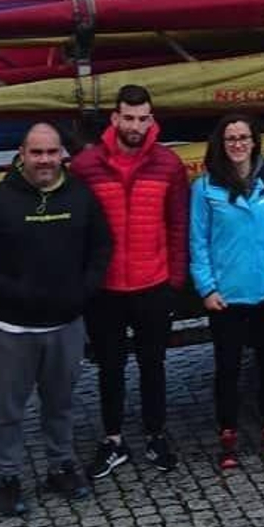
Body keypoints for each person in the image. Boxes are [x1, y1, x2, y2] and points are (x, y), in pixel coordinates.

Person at [0, 121, 114, 518]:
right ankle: (9, 478)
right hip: (12, 328)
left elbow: (102, 246)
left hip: (65, 323)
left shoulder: (81, 197)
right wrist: (7, 289)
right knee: (8, 409)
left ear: (62, 154)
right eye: (36, 153)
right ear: (22, 155)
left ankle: (60, 465)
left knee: (60, 404)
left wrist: (86, 288)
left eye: (51, 152)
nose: (45, 160)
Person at [69, 85, 189, 481]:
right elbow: (78, 229)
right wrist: (86, 281)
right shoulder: (86, 166)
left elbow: (177, 226)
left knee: (154, 364)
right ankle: (113, 438)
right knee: (110, 367)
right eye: (129, 117)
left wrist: (173, 281)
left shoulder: (168, 165)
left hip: (153, 284)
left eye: (143, 118)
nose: (136, 125)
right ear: (115, 118)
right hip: (105, 290)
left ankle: (156, 433)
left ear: (151, 120)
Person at [190, 113, 264, 470]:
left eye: (243, 138)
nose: (237, 145)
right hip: (228, 295)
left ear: (254, 141)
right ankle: (228, 433)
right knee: (227, 368)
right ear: (221, 143)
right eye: (231, 138)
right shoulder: (205, 188)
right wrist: (206, 287)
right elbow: (198, 242)